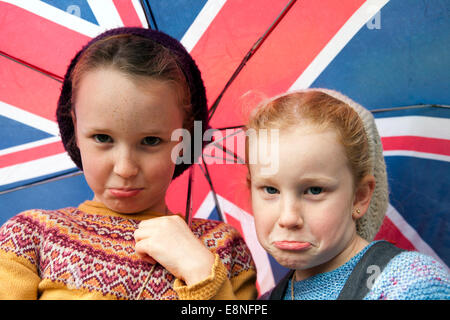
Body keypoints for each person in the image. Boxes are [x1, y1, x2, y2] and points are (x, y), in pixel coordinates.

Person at [0, 27, 257, 300]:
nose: (125, 168)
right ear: (75, 129)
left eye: (150, 141)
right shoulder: (28, 237)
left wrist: (202, 274)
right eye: (102, 137)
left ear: (185, 139)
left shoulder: (223, 249)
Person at [245, 88, 449, 300]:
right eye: (270, 190)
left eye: (314, 190)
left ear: (359, 196)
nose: (288, 218)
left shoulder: (412, 286)